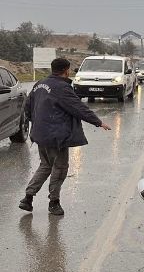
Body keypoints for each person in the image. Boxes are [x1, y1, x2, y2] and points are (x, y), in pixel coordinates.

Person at [19, 57, 112, 216]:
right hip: (56, 137)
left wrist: (37, 124)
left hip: (40, 134)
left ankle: (27, 198)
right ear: (66, 70)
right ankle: (54, 202)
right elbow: (78, 107)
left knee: (45, 165)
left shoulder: (39, 84)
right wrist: (98, 122)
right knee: (60, 168)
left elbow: (27, 107)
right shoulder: (62, 88)